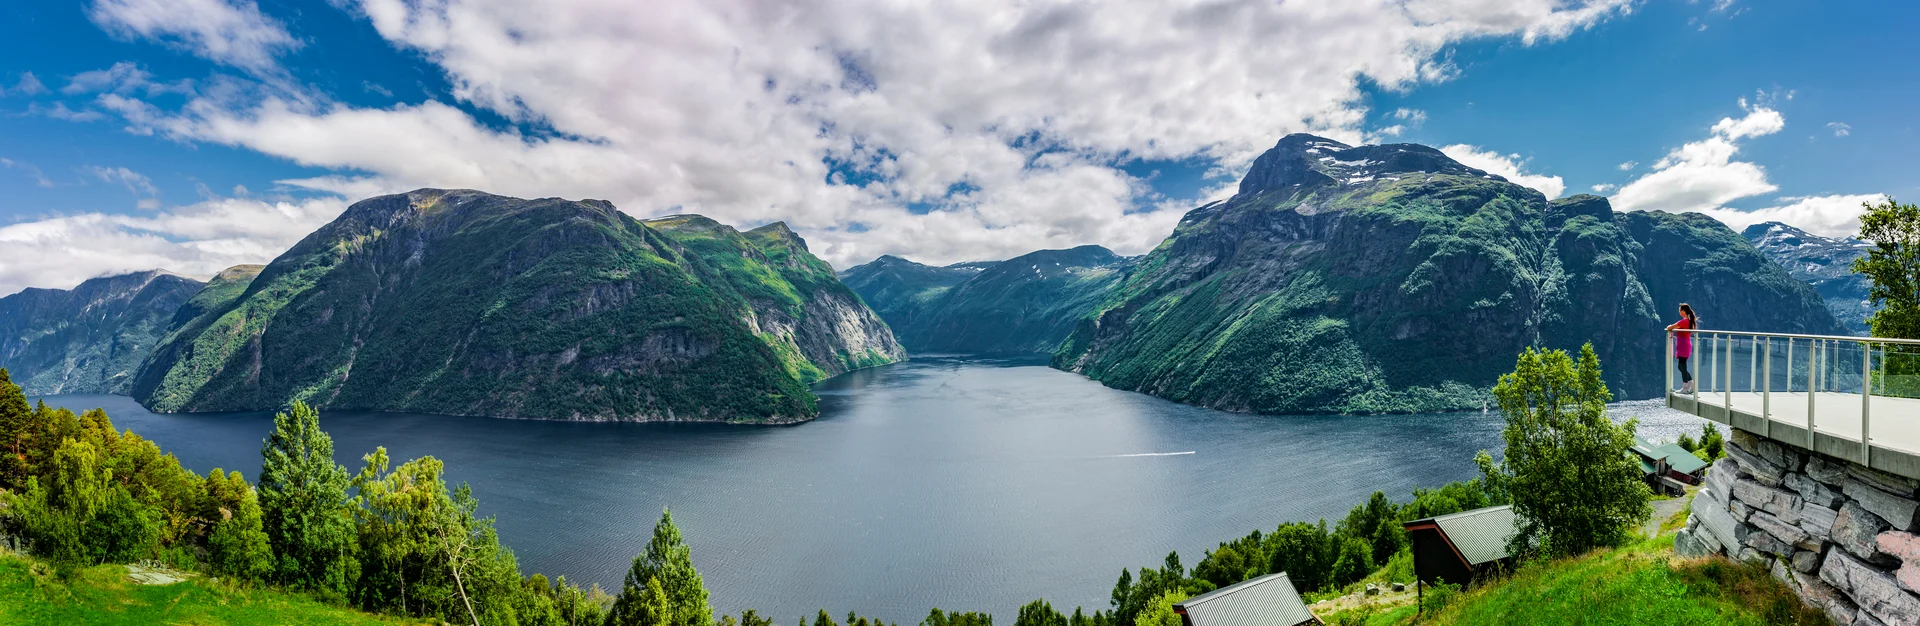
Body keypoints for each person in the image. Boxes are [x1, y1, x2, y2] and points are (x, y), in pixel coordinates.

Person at [1665, 304, 1699, 394]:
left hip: (1683, 346)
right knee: (1681, 367)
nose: (1679, 311)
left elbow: (1670, 327)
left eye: (1680, 309)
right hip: (1684, 345)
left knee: (1682, 366)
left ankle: (1685, 387)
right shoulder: (1688, 321)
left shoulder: (1684, 322)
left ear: (1683, 311)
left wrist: (1669, 326)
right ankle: (1691, 384)